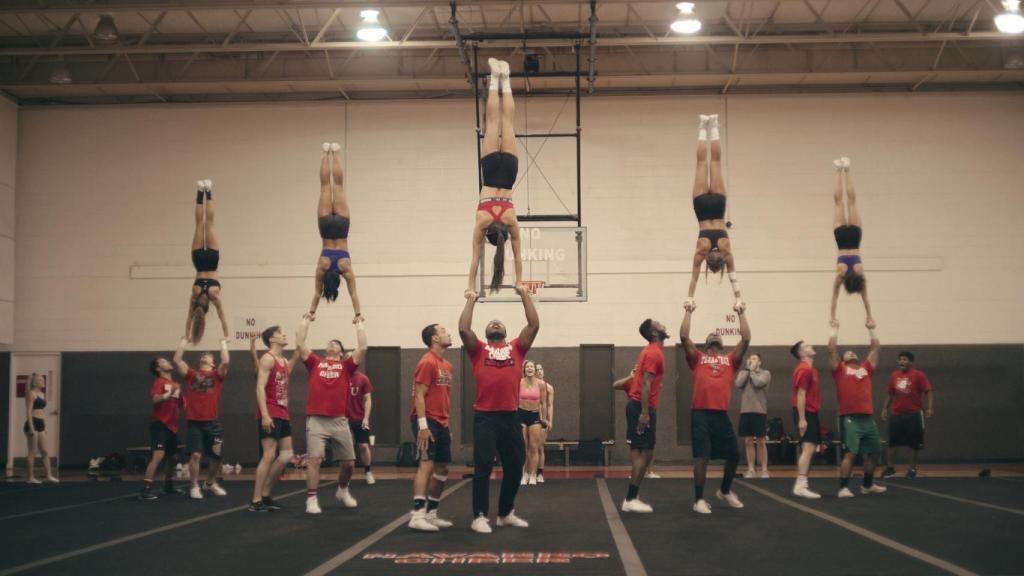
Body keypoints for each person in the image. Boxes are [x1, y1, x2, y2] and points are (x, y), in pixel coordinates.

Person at [459, 284, 539, 534]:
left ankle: (505, 513)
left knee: (516, 465)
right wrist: (471, 299)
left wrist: (524, 294)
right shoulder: (479, 350)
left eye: (499, 323)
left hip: (510, 416)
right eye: (491, 323)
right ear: (486, 332)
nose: (495, 324)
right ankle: (480, 516)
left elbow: (534, 325)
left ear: (505, 332)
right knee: (483, 465)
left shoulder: (517, 347)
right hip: (485, 417)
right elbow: (463, 329)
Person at [681, 300, 750, 514]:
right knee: (702, 456)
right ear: (706, 343)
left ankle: (725, 491)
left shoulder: (730, 360)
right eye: (711, 335)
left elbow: (746, 338)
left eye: (717, 335)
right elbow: (684, 337)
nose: (714, 335)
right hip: (700, 413)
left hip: (720, 415)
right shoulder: (698, 359)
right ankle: (699, 500)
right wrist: (688, 311)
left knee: (734, 455)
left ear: (721, 342)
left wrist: (741, 313)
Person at [296, 314, 367, 514]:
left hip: (339, 420)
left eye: (336, 344)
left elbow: (362, 348)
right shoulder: (315, 363)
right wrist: (305, 321)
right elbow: (300, 342)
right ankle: (311, 499)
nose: (332, 344)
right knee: (314, 460)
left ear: (342, 352)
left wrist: (360, 324)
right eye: (330, 342)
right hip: (317, 420)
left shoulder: (346, 367)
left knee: (349, 464)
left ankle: (342, 490)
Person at [468, 58, 523, 295]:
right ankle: (494, 80)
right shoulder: (482, 223)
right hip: (490, 173)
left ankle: (506, 79)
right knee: (494, 122)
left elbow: (519, 258)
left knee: (507, 123)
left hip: (509, 171)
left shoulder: (511, 222)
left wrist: (519, 282)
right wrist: (470, 287)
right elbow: (475, 261)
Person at [686, 114, 741, 312]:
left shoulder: (727, 250)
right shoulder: (701, 250)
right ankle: (703, 124)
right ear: (707, 264)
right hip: (701, 208)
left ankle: (714, 124)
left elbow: (733, 276)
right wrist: (689, 298)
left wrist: (739, 298)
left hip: (718, 208)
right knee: (702, 163)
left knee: (716, 162)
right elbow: (693, 277)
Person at [613, 319, 667, 513]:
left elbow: (649, 382)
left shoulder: (652, 351)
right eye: (658, 323)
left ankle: (632, 497)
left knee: (644, 452)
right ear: (653, 332)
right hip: (641, 407)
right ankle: (630, 499)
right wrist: (645, 413)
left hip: (639, 405)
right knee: (644, 453)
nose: (663, 324)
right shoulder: (653, 352)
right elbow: (645, 383)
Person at [830, 319, 887, 498]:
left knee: (875, 452)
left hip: (867, 418)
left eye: (852, 351)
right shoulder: (839, 370)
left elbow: (876, 349)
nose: (850, 352)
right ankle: (843, 488)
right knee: (851, 453)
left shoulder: (866, 368)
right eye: (846, 352)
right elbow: (831, 350)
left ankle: (867, 485)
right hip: (849, 418)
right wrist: (835, 329)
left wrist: (872, 330)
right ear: (843, 359)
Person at [408, 323, 456, 532]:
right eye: (443, 331)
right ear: (435, 338)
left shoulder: (447, 365)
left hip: (441, 422)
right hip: (426, 420)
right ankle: (417, 515)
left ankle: (431, 513)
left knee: (443, 467)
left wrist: (445, 425)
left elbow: (442, 397)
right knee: (426, 465)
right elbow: (419, 395)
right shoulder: (427, 362)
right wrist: (423, 426)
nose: (448, 333)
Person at [250, 324, 300, 512]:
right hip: (270, 412)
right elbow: (259, 387)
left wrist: (302, 330)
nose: (283, 334)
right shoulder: (267, 359)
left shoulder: (284, 362)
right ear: (272, 339)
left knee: (286, 455)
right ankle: (256, 501)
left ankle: (266, 494)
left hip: (283, 412)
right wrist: (264, 414)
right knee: (269, 455)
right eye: (280, 333)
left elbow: (296, 355)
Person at [310, 143, 362, 322]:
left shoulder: (345, 268)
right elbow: (317, 293)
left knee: (337, 185)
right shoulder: (322, 268)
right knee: (325, 185)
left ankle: (336, 152)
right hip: (325, 227)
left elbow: (353, 294)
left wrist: (358, 314)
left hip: (341, 228)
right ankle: (326, 153)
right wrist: (311, 312)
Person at [173, 336, 230, 499]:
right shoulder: (192, 374)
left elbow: (225, 361)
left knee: (217, 456)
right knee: (196, 455)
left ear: (212, 362)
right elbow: (177, 360)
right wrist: (183, 341)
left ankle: (210, 483)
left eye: (208, 355)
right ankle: (194, 486)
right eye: (202, 354)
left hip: (213, 423)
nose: (204, 355)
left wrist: (223, 343)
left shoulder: (217, 375)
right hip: (195, 423)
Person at [830, 157, 873, 326]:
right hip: (841, 239)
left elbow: (866, 301)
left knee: (852, 202)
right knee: (839, 203)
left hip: (855, 238)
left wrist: (869, 316)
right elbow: (834, 299)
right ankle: (838, 170)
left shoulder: (860, 274)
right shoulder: (840, 275)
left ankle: (846, 169)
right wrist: (832, 316)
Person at [186, 179, 229, 344]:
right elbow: (189, 319)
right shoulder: (194, 295)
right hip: (198, 261)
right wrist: (186, 335)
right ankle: (200, 191)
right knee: (199, 225)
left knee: (209, 224)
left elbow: (222, 317)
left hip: (212, 261)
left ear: (206, 309)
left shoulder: (214, 295)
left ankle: (209, 190)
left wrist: (226, 336)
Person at [881, 351, 933, 479]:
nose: (901, 362)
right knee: (893, 443)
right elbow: (890, 393)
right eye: (900, 359)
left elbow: (928, 391)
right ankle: (890, 468)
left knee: (914, 444)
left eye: (904, 359)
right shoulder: (894, 375)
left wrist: (930, 408)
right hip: (897, 414)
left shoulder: (918, 375)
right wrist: (885, 408)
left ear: (911, 362)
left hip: (914, 414)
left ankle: (912, 469)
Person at [140, 358, 186, 500]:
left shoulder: (175, 385)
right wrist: (168, 393)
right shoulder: (159, 383)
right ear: (159, 369)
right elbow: (155, 399)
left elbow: (181, 405)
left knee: (174, 457)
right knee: (158, 456)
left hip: (172, 427)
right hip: (159, 425)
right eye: (164, 362)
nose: (168, 362)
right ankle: (146, 489)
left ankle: (168, 485)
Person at [790, 340, 823, 499]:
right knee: (808, 447)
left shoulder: (812, 369)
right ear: (802, 353)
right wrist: (802, 419)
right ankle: (800, 485)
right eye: (808, 346)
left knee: (810, 448)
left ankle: (803, 483)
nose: (812, 346)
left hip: (812, 412)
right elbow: (800, 394)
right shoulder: (804, 369)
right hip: (805, 412)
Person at [735, 353, 770, 479]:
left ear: (759, 362)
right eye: (750, 358)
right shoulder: (744, 373)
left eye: (754, 358)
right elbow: (738, 384)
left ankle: (764, 469)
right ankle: (751, 469)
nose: (751, 360)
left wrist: (752, 372)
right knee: (748, 441)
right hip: (745, 411)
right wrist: (748, 371)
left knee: (761, 441)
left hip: (759, 411)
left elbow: (758, 383)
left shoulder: (765, 373)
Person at [23, 374, 58, 483]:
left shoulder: (42, 394)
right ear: (34, 382)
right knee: (32, 452)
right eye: (40, 380)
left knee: (45, 451)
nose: (43, 381)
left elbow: (41, 412)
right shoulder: (30, 393)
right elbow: (28, 411)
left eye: (43, 379)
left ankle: (49, 475)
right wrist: (32, 428)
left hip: (40, 423)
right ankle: (30, 478)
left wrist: (45, 426)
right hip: (32, 423)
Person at [519, 360, 549, 486]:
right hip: (521, 414)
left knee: (534, 447)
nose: (530, 368)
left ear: (534, 370)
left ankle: (532, 474)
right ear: (524, 369)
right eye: (528, 367)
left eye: (532, 367)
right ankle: (523, 475)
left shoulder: (541, 384)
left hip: (535, 415)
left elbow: (543, 403)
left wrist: (544, 419)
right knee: (523, 447)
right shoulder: (519, 383)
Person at [347, 365, 375, 485]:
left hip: (359, 418)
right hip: (343, 419)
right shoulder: (340, 378)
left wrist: (366, 418)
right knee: (346, 449)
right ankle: (346, 476)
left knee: (363, 446)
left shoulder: (363, 378)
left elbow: (368, 399)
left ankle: (368, 472)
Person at [535, 364, 554, 484]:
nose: (539, 371)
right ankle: (529, 472)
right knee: (530, 448)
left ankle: (540, 473)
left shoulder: (549, 388)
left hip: (543, 421)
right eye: (537, 370)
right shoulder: (529, 386)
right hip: (531, 419)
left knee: (540, 447)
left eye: (541, 369)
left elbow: (550, 405)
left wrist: (550, 421)